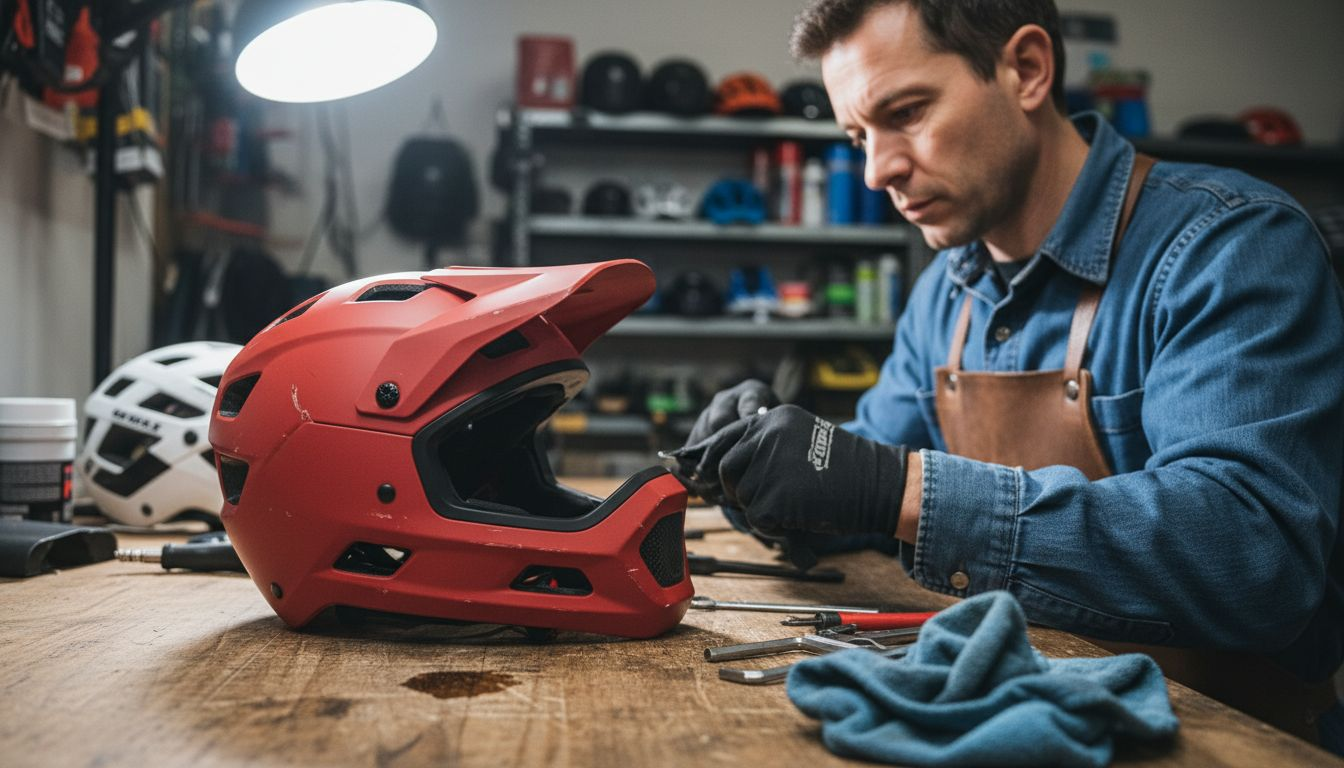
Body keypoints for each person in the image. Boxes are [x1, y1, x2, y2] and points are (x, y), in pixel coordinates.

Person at [670, 0, 1344, 747]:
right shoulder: (945, 293)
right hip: (1013, 715)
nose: (876, 170)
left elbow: (1254, 554)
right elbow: (863, 483)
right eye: (858, 135)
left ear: (1026, 70)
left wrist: (892, 485)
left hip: (1227, 741)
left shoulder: (1228, 246)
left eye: (908, 112)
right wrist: (760, 466)